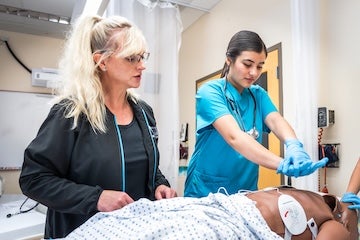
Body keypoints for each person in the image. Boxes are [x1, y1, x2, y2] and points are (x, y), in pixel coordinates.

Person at [19, 14, 177, 239]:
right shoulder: (70, 113)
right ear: (101, 61)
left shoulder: (144, 112)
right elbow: (34, 179)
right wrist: (96, 197)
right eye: (131, 58)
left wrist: (159, 185)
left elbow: (147, 168)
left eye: (142, 56)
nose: (142, 65)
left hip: (135, 231)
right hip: (81, 232)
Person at [184, 30, 328, 197]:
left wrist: (294, 145)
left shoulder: (258, 94)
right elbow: (234, 137)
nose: (254, 72)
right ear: (229, 60)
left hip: (245, 189)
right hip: (206, 188)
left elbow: (275, 120)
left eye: (260, 66)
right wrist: (281, 164)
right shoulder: (210, 92)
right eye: (247, 64)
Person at [63, 186, 358, 240]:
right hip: (216, 206)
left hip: (234, 227)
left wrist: (348, 226)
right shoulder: (312, 195)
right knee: (144, 215)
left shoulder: (332, 224)